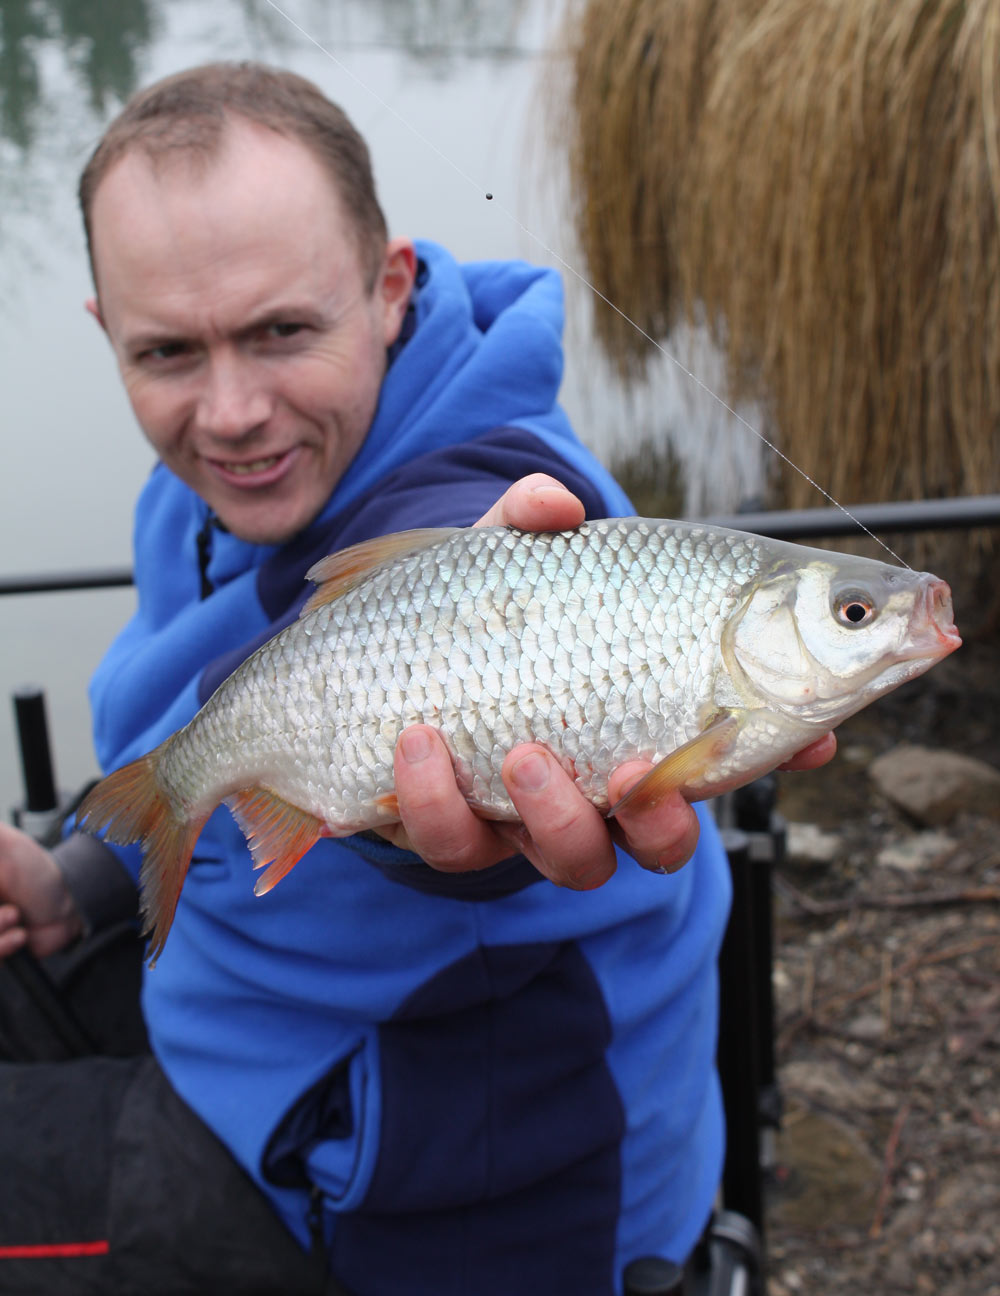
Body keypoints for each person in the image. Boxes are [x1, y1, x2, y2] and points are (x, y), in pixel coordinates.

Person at [0, 63, 833, 1296]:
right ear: (107, 333)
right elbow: (221, 724)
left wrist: (432, 827)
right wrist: (80, 874)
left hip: (428, 1197)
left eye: (282, 330)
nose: (228, 413)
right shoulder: (241, 471)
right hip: (254, 1033)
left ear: (389, 290)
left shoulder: (486, 509)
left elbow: (469, 570)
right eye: (167, 352)